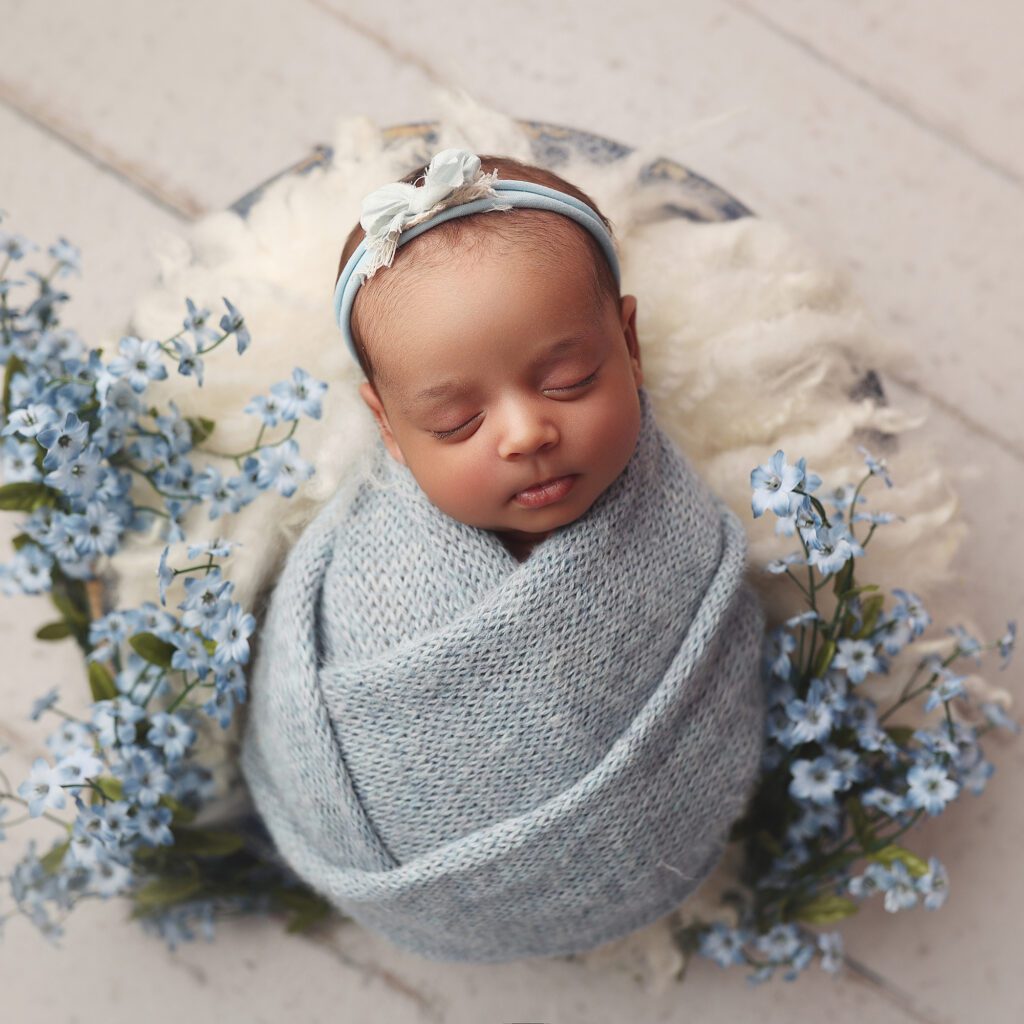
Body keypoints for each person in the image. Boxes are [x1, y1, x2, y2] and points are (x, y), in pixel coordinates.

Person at [336, 151, 642, 563]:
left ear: (630, 345)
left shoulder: (687, 524)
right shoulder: (362, 561)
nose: (526, 435)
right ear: (386, 425)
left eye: (569, 381)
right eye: (456, 421)